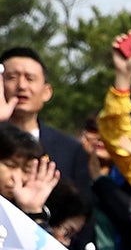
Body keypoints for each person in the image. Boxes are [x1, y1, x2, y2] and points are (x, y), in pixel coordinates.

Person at [1, 45, 90, 191]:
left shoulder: (71, 150)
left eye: (30, 78)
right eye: (12, 77)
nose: (22, 86)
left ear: (46, 92)